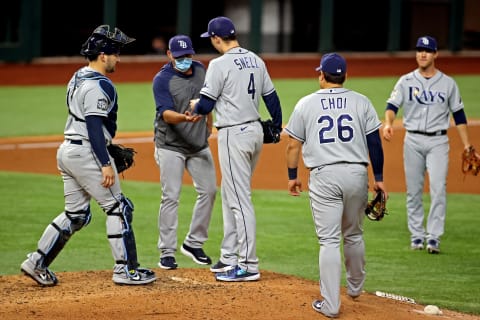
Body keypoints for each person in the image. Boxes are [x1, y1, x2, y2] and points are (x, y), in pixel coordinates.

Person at [20, 25, 156, 286]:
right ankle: (126, 270)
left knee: (77, 214)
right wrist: (105, 162)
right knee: (119, 208)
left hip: (68, 151)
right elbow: (94, 125)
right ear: (103, 55)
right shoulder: (100, 85)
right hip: (87, 152)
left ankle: (37, 262)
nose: (119, 58)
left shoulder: (78, 75)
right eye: (116, 53)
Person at [285, 53, 387, 317]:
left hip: (324, 176)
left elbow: (293, 145)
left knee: (329, 240)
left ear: (321, 76)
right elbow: (374, 143)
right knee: (353, 234)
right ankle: (354, 288)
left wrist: (292, 175)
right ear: (344, 76)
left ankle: (330, 305)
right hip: (356, 174)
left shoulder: (306, 103)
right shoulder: (361, 102)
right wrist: (379, 178)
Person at [190, 16, 283, 282]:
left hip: (234, 135)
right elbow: (271, 97)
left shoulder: (219, 64)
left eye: (212, 40)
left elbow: (207, 106)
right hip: (253, 132)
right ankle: (229, 256)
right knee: (232, 195)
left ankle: (248, 264)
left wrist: (196, 105)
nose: (213, 44)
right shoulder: (256, 59)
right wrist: (276, 125)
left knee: (239, 199)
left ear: (218, 39)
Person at [383, 35, 476, 254]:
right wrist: (388, 124)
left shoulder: (447, 83)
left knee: (438, 189)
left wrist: (467, 145)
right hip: (413, 140)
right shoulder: (406, 81)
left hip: (438, 141)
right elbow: (391, 106)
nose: (422, 54)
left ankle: (433, 237)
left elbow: (459, 115)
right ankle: (417, 236)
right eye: (419, 50)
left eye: (427, 50)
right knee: (413, 191)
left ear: (435, 54)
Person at [152, 34, 217, 270]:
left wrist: (209, 121)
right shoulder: (162, 80)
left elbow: (208, 97)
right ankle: (167, 252)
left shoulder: (201, 70)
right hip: (170, 146)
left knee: (209, 191)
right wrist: (186, 118)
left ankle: (193, 243)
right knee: (171, 196)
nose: (185, 60)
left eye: (188, 55)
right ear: (169, 55)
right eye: (179, 57)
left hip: (198, 145)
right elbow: (166, 115)